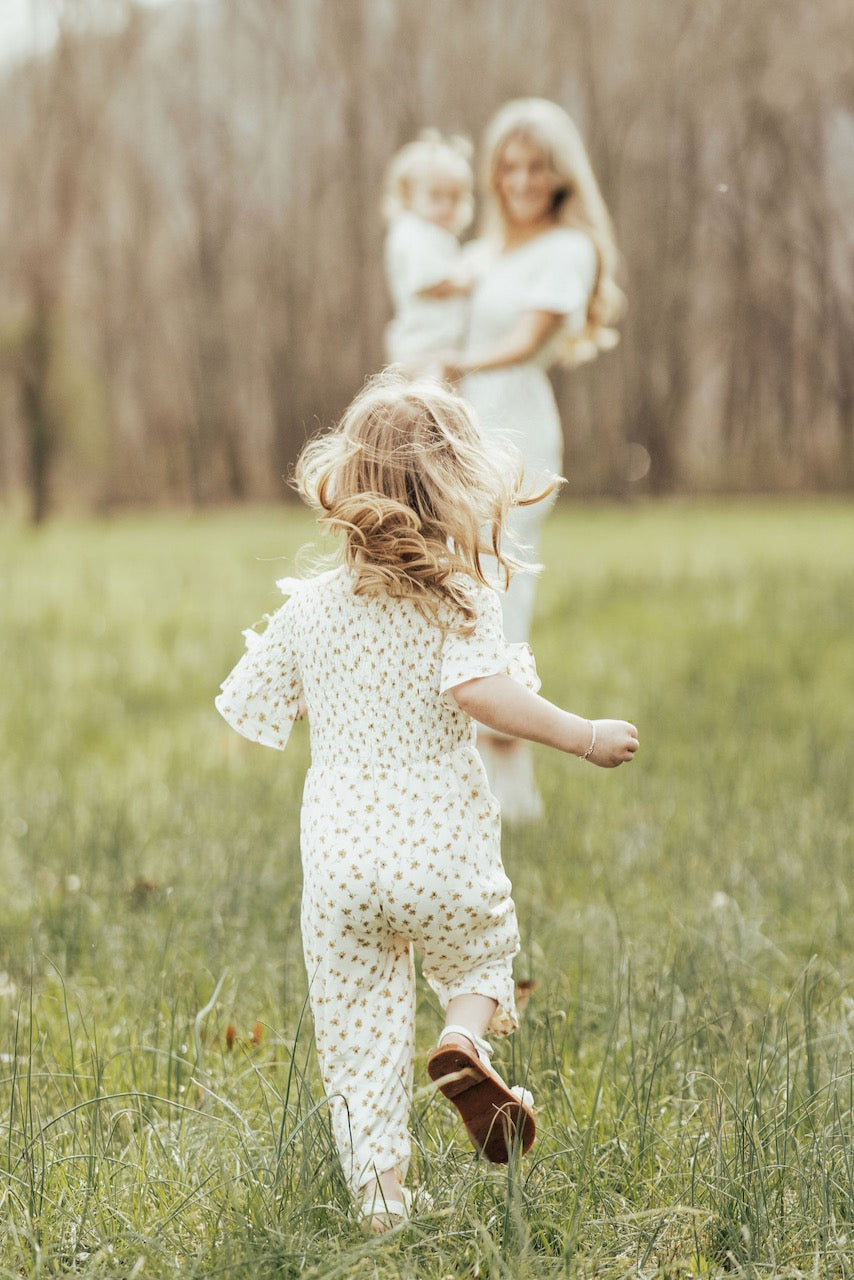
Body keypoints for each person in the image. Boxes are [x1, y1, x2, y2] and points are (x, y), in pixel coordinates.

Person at [215, 373, 638, 1231]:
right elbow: (484, 695)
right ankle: (466, 1042)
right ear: (454, 488)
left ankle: (381, 1204)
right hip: (437, 849)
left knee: (357, 1035)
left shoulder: (309, 611)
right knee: (482, 957)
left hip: (337, 866)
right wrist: (583, 734)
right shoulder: (461, 601)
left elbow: (248, 709)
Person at [441, 98, 624, 824]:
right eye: (507, 166)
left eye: (535, 167)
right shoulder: (483, 253)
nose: (519, 180)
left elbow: (529, 337)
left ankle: (514, 798)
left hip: (512, 435)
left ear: (560, 176)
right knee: (452, 597)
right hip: (453, 436)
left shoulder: (568, 249)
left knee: (497, 599)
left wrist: (458, 362)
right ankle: (462, 788)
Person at [382, 131, 477, 366]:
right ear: (408, 195)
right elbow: (428, 281)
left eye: (454, 198)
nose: (446, 206)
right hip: (423, 348)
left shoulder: (436, 234)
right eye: (435, 196)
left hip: (438, 346)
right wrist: (468, 283)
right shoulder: (413, 231)